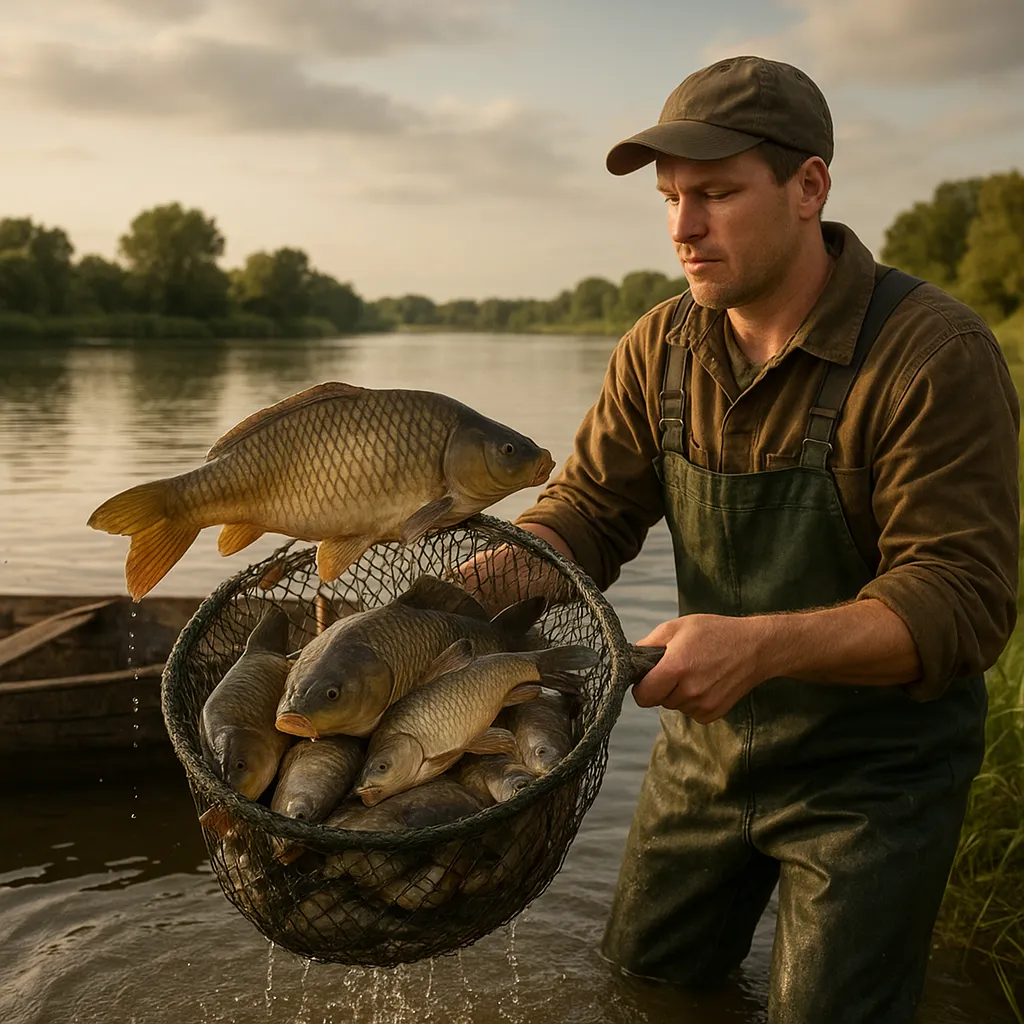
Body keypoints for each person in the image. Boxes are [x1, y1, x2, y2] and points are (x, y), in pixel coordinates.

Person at [492, 56, 1019, 1023]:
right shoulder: (661, 344)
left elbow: (962, 602)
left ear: (809, 186)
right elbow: (593, 509)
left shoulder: (935, 355)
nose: (683, 229)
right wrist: (489, 582)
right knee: (645, 991)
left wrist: (762, 647)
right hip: (704, 755)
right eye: (670, 198)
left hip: (874, 779)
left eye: (717, 195)